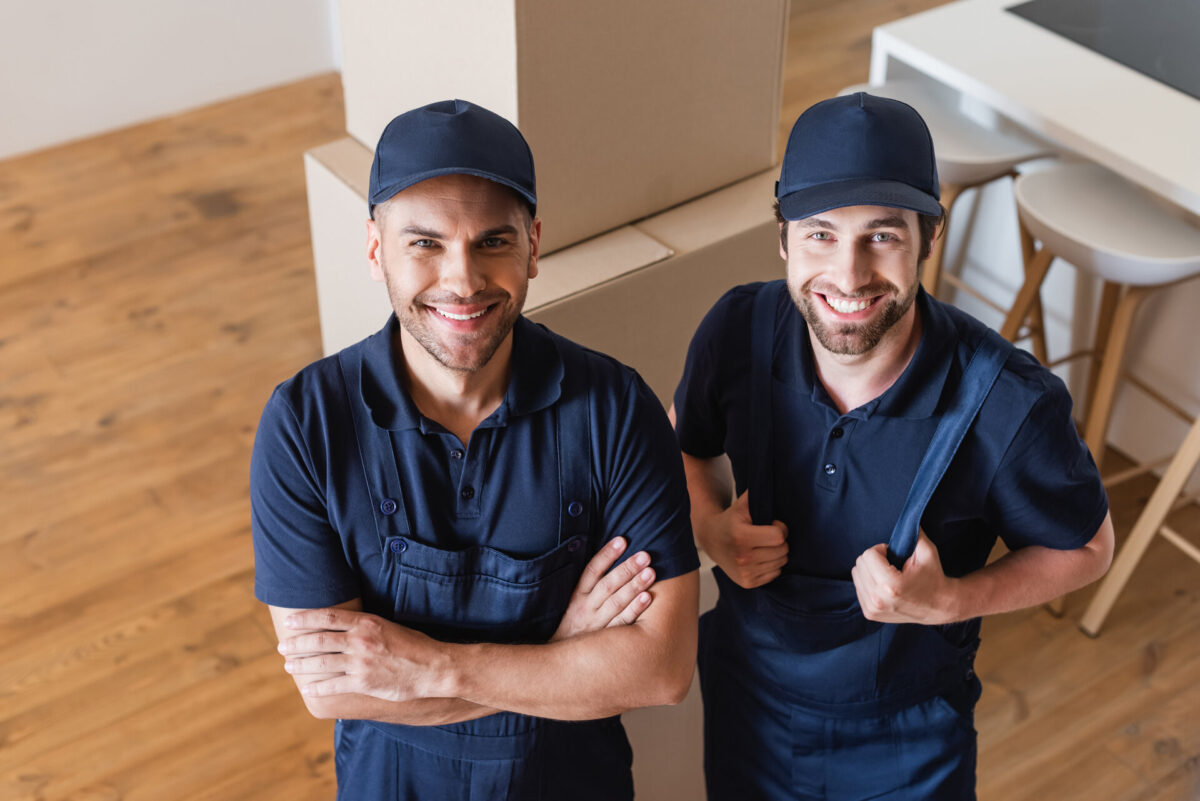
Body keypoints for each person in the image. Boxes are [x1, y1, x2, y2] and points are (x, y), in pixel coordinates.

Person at [250, 99, 699, 800]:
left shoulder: (615, 408)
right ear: (376, 249)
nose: (462, 280)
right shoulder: (306, 424)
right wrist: (561, 659)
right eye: (424, 243)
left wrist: (429, 668)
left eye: (493, 241)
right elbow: (332, 690)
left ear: (534, 245)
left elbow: (662, 669)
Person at [671, 92, 1114, 800]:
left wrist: (952, 598)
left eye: (882, 236)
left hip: (908, 742)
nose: (848, 277)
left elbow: (1088, 548)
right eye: (820, 234)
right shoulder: (736, 332)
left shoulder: (1010, 403)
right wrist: (709, 527)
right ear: (782, 236)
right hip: (748, 704)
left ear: (927, 239)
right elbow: (687, 444)